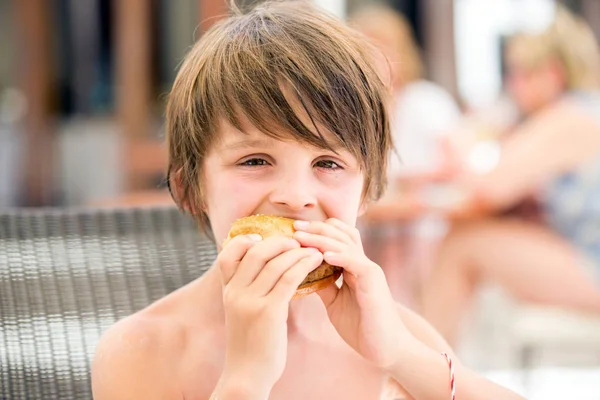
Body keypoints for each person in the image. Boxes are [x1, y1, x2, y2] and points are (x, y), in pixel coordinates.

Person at [91, 1, 523, 399]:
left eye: (328, 163)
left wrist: (399, 356)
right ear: (191, 190)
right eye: (255, 160)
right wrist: (245, 379)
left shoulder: (393, 334)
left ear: (367, 192)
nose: (297, 197)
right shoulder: (145, 349)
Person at [421, 4, 600, 345]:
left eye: (519, 73)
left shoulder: (569, 117)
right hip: (586, 254)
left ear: (552, 73)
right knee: (467, 236)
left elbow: (490, 187)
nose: (512, 84)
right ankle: (432, 371)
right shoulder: (583, 110)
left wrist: (460, 141)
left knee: (462, 243)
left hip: (594, 266)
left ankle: (424, 380)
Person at [349, 4, 461, 304]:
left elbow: (454, 164)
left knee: (408, 249)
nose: (376, 59)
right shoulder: (354, 111)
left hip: (424, 221)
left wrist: (406, 179)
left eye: (383, 48)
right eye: (365, 49)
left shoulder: (426, 100)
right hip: (375, 221)